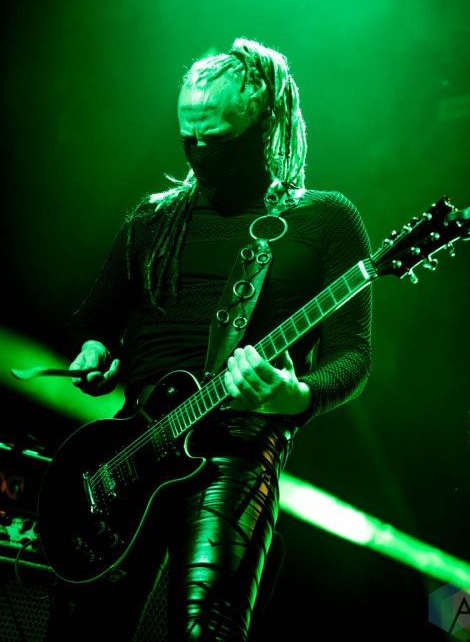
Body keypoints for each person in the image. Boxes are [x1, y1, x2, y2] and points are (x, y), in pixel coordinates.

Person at [43, 37, 372, 641]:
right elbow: (94, 317)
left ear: (265, 126)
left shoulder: (323, 219)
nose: (198, 154)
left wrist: (295, 396)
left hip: (237, 449)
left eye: (215, 140)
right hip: (129, 450)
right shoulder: (153, 219)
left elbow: (352, 353)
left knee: (206, 632)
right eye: (186, 139)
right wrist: (94, 349)